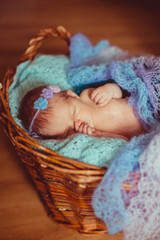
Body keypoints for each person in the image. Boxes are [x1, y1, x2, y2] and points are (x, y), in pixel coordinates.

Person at [19, 83, 144, 141]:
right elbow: (123, 140)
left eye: (73, 113)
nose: (76, 124)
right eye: (68, 131)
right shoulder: (91, 134)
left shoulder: (88, 96)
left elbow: (120, 92)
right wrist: (99, 135)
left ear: (73, 95)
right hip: (147, 132)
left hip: (146, 106)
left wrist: (109, 90)